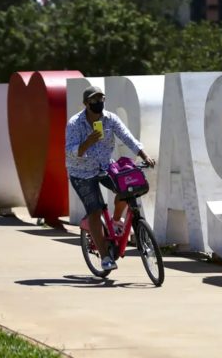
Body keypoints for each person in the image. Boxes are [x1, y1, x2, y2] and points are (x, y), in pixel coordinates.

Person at [65, 85, 155, 270]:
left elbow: (127, 136)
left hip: (105, 166)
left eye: (101, 99)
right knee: (95, 210)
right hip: (81, 172)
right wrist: (88, 142)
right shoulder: (75, 123)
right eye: (94, 100)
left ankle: (115, 222)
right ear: (86, 103)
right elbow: (70, 152)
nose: (98, 103)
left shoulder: (110, 118)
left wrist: (144, 155)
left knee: (127, 191)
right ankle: (106, 258)